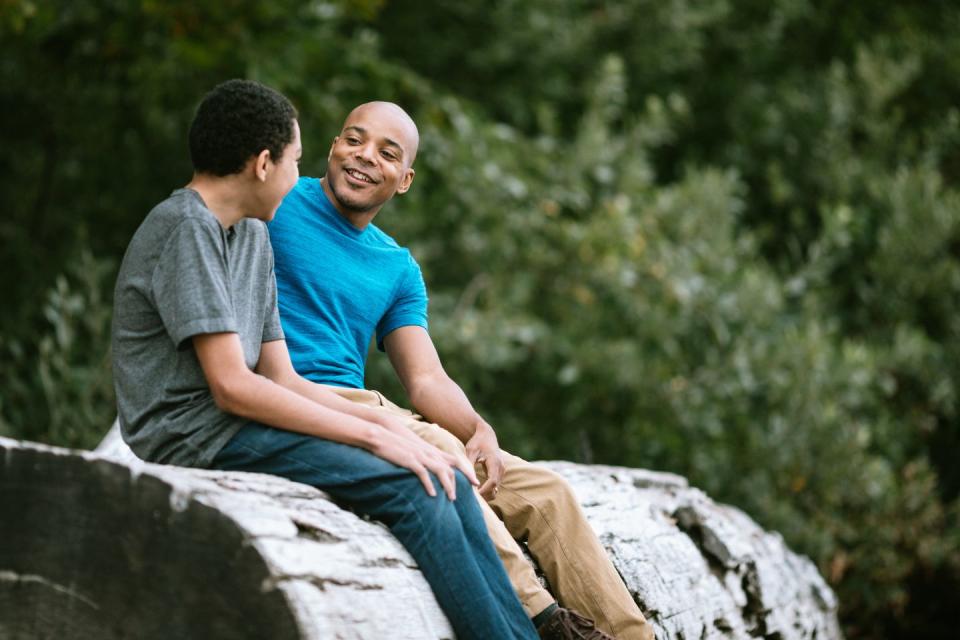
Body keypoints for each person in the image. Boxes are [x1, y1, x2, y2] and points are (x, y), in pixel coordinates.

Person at [110, 79, 538, 640]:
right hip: (194, 435)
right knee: (418, 490)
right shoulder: (185, 229)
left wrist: (389, 424)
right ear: (264, 163)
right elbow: (232, 387)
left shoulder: (252, 237)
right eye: (295, 160)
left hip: (236, 423)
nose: (299, 176)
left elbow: (280, 374)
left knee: (446, 479)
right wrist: (375, 440)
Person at [267, 101, 656, 640]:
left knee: (546, 493)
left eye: (387, 153)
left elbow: (425, 379)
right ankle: (544, 620)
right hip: (303, 395)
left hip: (374, 407)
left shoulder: (397, 266)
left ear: (405, 180)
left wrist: (477, 430)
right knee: (441, 451)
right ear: (332, 146)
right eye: (354, 141)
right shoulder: (278, 200)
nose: (364, 158)